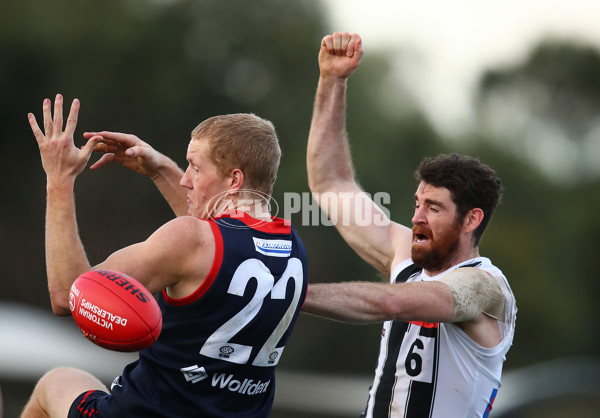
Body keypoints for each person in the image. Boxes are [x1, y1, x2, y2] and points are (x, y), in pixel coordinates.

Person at [23, 94, 308, 418]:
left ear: (234, 180)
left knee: (55, 382)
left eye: (196, 168)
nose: (185, 179)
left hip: (142, 412)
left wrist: (59, 180)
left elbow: (67, 294)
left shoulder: (190, 240)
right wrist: (160, 170)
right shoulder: (294, 249)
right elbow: (217, 245)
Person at [302, 32, 517, 418]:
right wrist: (331, 82)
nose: (416, 216)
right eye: (418, 203)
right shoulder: (409, 257)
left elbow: (390, 301)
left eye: (433, 207)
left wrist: (287, 293)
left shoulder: (485, 288)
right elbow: (332, 184)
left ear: (471, 219)